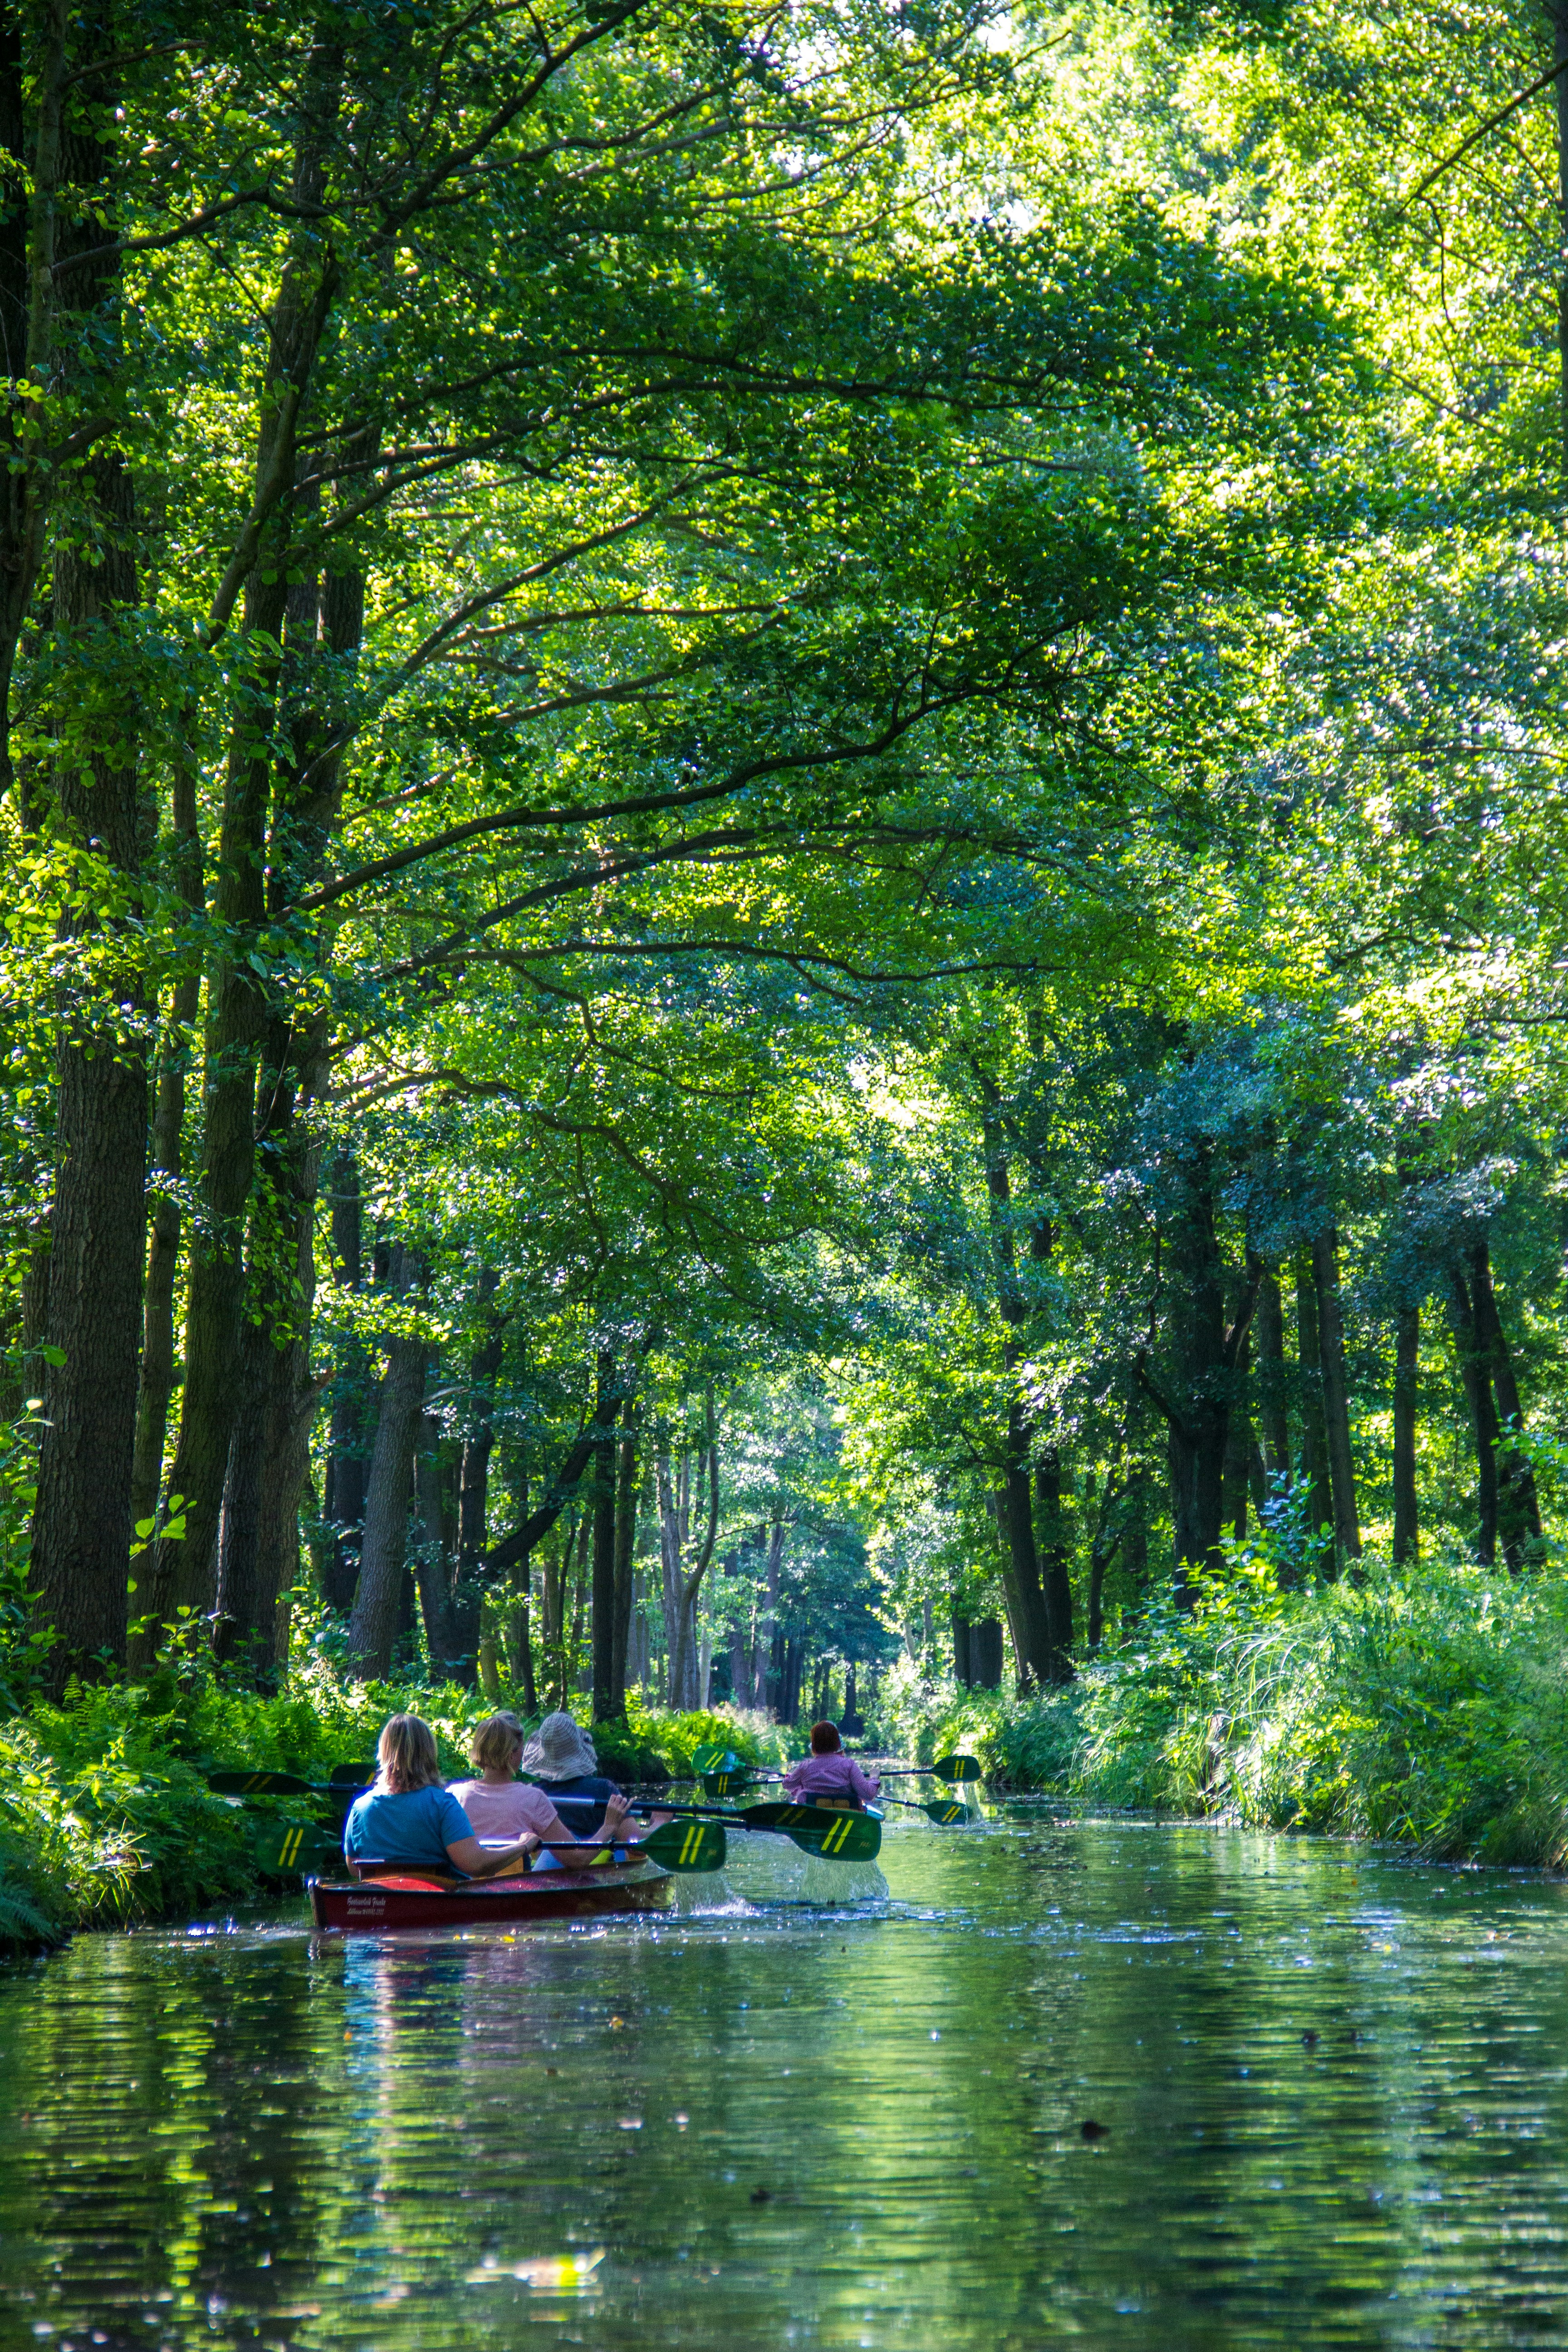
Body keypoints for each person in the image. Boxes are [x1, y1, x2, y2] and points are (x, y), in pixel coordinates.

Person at [343, 1713, 541, 1880]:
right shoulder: (442, 1803)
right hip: (439, 1906)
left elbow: (354, 1869)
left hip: (383, 1902)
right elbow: (475, 1865)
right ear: (429, 1753)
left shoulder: (361, 1807)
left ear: (384, 1753)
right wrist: (522, 1847)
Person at [448, 1711, 636, 1871]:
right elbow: (577, 1859)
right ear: (514, 1754)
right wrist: (609, 1826)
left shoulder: (454, 1795)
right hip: (515, 1894)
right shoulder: (533, 1798)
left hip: (467, 1888)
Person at [518, 1710, 623, 1834]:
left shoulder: (531, 1794)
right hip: (593, 1854)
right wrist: (653, 1824)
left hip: (545, 1854)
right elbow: (636, 1846)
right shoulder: (604, 1790)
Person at [782, 1721, 881, 1808]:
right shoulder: (849, 1765)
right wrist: (874, 1778)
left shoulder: (804, 1766)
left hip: (812, 1815)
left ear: (813, 1746)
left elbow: (787, 1784)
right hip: (846, 1815)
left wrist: (798, 1783)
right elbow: (868, 1795)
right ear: (838, 1744)